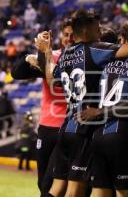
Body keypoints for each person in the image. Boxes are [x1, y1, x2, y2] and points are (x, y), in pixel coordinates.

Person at [42, 9, 128, 197]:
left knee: (58, 189)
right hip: (90, 130)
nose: (100, 32)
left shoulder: (66, 55)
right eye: (97, 29)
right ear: (87, 32)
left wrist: (47, 51)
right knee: (77, 193)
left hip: (68, 127)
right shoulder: (98, 51)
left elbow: (51, 81)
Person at [11, 19, 72, 196]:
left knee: (51, 185)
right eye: (65, 35)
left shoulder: (81, 59)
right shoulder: (50, 56)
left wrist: (41, 56)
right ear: (60, 36)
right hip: (46, 127)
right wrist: (29, 56)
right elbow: (17, 73)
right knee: (42, 182)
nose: (68, 39)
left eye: (72, 35)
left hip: (68, 127)